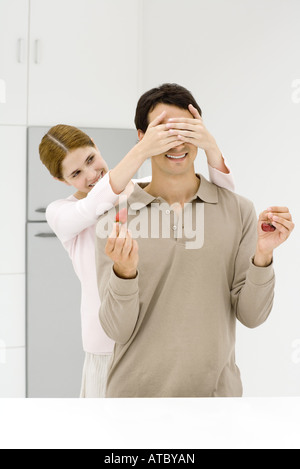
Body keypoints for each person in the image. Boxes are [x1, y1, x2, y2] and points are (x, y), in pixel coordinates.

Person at [95, 83, 295, 398]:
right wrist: (124, 272)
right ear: (141, 137)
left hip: (217, 402)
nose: (177, 142)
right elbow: (116, 330)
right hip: (134, 404)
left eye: (186, 130)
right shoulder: (115, 217)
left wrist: (263, 257)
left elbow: (252, 317)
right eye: (163, 130)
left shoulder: (238, 209)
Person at [39, 108, 234, 397]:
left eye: (91, 159)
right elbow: (95, 205)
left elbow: (225, 202)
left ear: (95, 143)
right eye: (76, 173)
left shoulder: (144, 189)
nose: (92, 174)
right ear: (62, 181)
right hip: (107, 347)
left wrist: (210, 147)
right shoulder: (61, 213)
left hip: (156, 341)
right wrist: (142, 150)